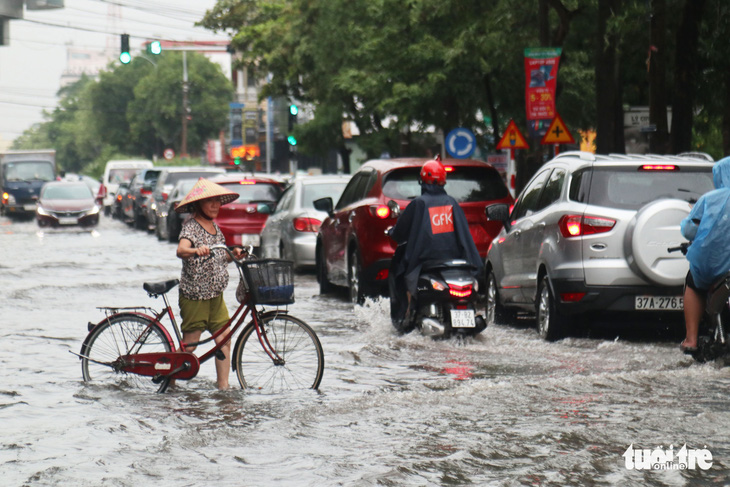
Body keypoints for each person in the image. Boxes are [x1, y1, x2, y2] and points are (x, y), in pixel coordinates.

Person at [387, 156, 483, 332]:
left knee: (401, 275)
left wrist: (392, 232)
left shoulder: (419, 203)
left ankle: (407, 314)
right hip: (455, 265)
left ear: (422, 180)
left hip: (424, 263)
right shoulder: (452, 203)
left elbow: (400, 232)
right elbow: (464, 236)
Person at [174, 178, 245, 389]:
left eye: (217, 201)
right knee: (190, 347)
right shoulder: (191, 228)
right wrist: (196, 250)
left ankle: (223, 387)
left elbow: (221, 257)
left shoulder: (215, 228)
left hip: (216, 296)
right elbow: (181, 250)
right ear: (198, 205)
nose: (215, 205)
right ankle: (167, 376)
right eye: (210, 201)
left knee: (224, 339)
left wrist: (235, 255)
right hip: (195, 296)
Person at [679, 156, 730, 353]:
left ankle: (691, 339)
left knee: (693, 283)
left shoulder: (709, 199)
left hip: (713, 266)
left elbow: (689, 231)